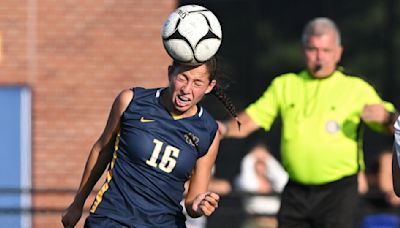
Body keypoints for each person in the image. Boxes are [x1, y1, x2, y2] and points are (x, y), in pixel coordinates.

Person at [219, 17, 398, 228]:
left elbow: (393, 127)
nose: (319, 57)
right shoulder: (285, 85)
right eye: (313, 49)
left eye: (326, 50)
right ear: (304, 50)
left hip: (338, 194)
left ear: (338, 52)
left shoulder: (356, 89)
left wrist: (387, 117)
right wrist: (221, 128)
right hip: (296, 192)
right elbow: (250, 119)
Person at [61, 56, 239, 228]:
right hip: (112, 218)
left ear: (210, 86)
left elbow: (193, 200)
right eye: (182, 78)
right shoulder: (132, 101)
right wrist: (78, 203)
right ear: (170, 73)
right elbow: (101, 151)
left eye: (197, 83)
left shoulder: (208, 132)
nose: (187, 89)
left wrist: (199, 205)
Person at [234, 143, 288, 228]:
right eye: (257, 162)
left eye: (263, 162)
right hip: (254, 223)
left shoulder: (274, 182)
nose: (260, 166)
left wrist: (268, 158)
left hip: (274, 223)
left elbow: (284, 182)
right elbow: (249, 185)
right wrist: (251, 157)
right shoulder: (241, 180)